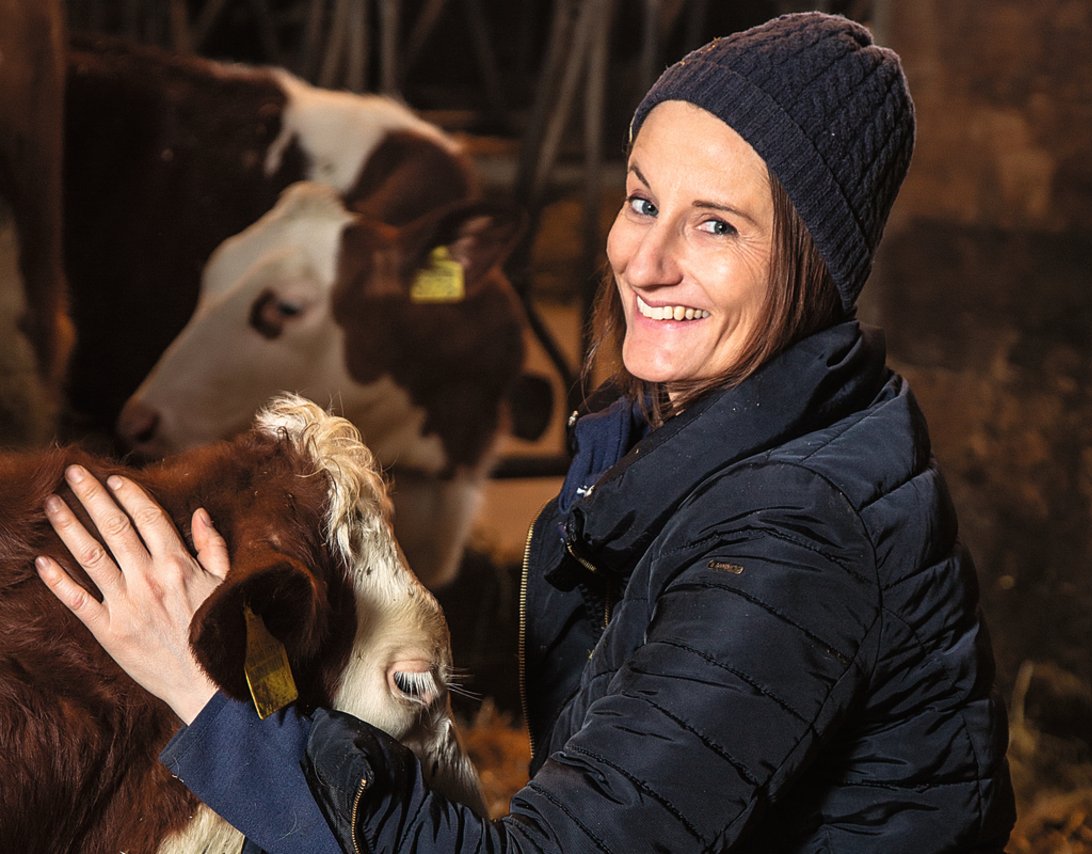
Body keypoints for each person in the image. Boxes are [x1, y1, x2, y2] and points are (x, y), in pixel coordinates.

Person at [37, 12, 1016, 853]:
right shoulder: (667, 437)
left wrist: (205, 704)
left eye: (716, 225)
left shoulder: (792, 535)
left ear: (811, 266)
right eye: (641, 200)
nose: (645, 259)